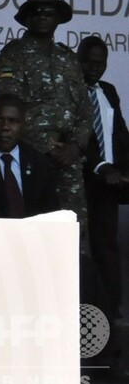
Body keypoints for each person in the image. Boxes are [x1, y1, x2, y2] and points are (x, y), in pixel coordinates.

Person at [0, 0, 92, 250]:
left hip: (70, 158)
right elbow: (9, 109)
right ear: (26, 18)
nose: (43, 16)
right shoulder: (13, 55)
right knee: (35, 232)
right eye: (36, 12)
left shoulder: (68, 58)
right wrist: (48, 148)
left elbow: (84, 107)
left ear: (58, 18)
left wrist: (75, 146)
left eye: (49, 12)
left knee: (74, 235)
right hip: (31, 156)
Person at [78, 35, 129, 319]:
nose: (94, 67)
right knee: (79, 246)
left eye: (100, 62)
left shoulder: (108, 91)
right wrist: (100, 166)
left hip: (109, 184)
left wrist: (124, 167)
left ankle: (111, 307)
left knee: (106, 245)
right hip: (81, 178)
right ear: (79, 61)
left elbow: (119, 132)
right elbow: (77, 137)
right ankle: (82, 307)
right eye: (89, 62)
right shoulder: (71, 91)